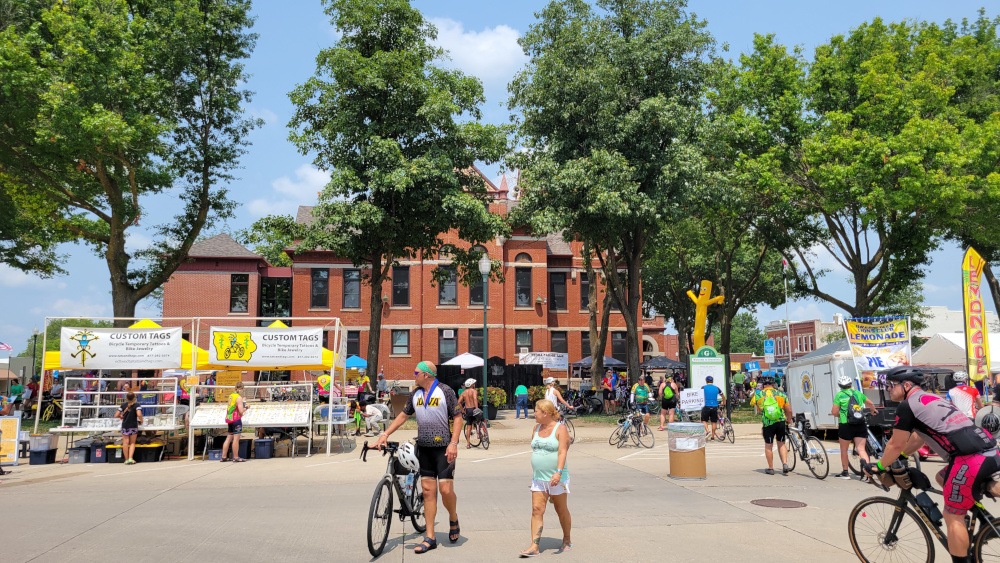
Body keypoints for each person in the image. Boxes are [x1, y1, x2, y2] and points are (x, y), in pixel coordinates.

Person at [866, 367, 999, 563]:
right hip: (990, 451)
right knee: (942, 478)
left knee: (953, 515)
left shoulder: (908, 405)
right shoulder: (933, 399)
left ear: (907, 385)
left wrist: (879, 465)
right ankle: (985, 519)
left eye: (892, 385)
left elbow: (895, 443)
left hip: (968, 460)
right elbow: (919, 437)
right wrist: (903, 455)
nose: (889, 389)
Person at [374, 361, 463, 553]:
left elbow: (458, 417)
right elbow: (403, 416)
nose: (414, 375)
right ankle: (430, 537)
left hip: (443, 449)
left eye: (416, 372)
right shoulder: (415, 394)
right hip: (424, 449)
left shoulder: (445, 391)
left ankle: (453, 517)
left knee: (446, 490)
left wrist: (454, 442)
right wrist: (385, 434)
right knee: (428, 492)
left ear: (427, 375)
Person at [520, 399, 572, 557]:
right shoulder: (536, 428)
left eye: (536, 410)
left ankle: (567, 539)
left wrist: (558, 472)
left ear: (545, 413)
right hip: (538, 478)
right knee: (536, 510)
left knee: (560, 509)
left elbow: (563, 451)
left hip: (557, 478)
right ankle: (534, 546)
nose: (533, 413)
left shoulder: (560, 428)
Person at [831, 374, 875, 479]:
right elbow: (870, 403)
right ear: (850, 384)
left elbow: (834, 411)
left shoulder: (840, 395)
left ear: (840, 385)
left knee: (844, 449)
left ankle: (845, 472)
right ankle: (869, 474)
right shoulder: (858, 394)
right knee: (861, 449)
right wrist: (873, 410)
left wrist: (839, 415)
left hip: (846, 424)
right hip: (860, 423)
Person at [750, 375, 793, 475]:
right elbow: (789, 410)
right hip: (780, 421)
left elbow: (758, 408)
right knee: (781, 443)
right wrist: (789, 419)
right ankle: (785, 464)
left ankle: (771, 468)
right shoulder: (781, 394)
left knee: (768, 445)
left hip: (768, 423)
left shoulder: (759, 395)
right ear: (773, 384)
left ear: (763, 385)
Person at [220, 381, 248, 463]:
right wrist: (247, 407)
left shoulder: (231, 396)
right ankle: (235, 457)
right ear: (241, 389)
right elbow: (241, 410)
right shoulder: (238, 397)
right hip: (236, 419)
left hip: (230, 419)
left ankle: (223, 456)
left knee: (228, 438)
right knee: (236, 439)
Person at [116, 391, 143, 465]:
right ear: (134, 397)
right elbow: (139, 414)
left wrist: (120, 416)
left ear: (126, 397)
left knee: (125, 443)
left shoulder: (123, 405)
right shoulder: (137, 405)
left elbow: (116, 414)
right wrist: (141, 420)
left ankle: (126, 459)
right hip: (133, 425)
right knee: (132, 443)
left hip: (125, 425)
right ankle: (131, 458)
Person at [701, 376, 724, 441]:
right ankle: (713, 437)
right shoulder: (717, 388)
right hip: (714, 406)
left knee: (704, 420)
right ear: (712, 381)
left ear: (706, 381)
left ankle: (708, 432)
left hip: (706, 406)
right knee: (714, 421)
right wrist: (724, 402)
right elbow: (723, 396)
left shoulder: (703, 388)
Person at [459, 378, 479, 448]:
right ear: (472, 385)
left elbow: (459, 402)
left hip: (468, 409)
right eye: (474, 384)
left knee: (468, 426)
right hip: (473, 408)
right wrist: (476, 408)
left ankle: (468, 444)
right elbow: (475, 399)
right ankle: (479, 434)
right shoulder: (474, 391)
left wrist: (463, 411)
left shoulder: (463, 393)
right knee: (482, 420)